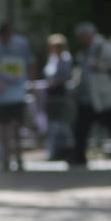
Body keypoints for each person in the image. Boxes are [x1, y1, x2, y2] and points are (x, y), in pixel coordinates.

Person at [70, 22, 111, 168]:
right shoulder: (86, 49)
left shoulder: (104, 47)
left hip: (103, 98)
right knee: (80, 128)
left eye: (82, 36)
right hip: (88, 98)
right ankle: (79, 156)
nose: (80, 39)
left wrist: (100, 66)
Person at [0, 22, 34, 171]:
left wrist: (29, 83)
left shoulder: (21, 43)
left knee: (17, 127)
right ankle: (5, 159)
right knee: (3, 128)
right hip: (1, 96)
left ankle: (19, 158)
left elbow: (30, 63)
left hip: (18, 93)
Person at [43, 33, 74, 161]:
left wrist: (55, 83)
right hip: (51, 94)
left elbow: (66, 76)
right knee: (53, 125)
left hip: (61, 94)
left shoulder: (66, 58)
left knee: (63, 124)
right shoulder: (52, 58)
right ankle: (54, 151)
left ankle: (65, 151)